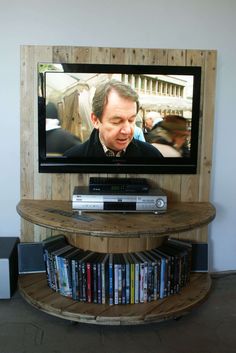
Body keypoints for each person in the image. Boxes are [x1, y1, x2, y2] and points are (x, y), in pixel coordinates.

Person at [64, 80, 163, 158]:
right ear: (95, 120)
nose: (127, 130)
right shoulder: (72, 159)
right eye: (117, 122)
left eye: (131, 120)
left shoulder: (152, 156)